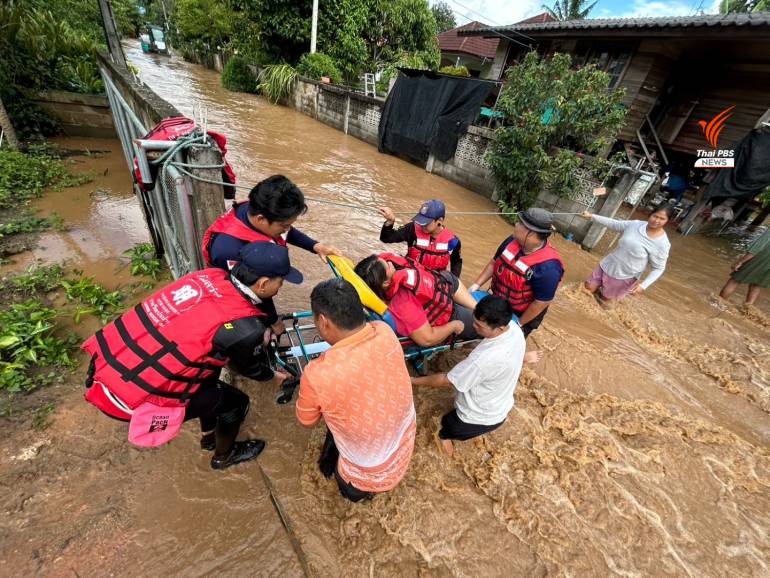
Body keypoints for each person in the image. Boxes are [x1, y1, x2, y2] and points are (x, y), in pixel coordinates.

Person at [81, 242, 300, 470]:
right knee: (237, 403)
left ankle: (208, 435)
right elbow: (248, 368)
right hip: (130, 400)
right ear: (263, 283)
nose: (280, 287)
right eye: (280, 282)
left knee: (210, 379)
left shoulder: (207, 277)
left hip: (107, 369)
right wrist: (272, 376)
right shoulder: (246, 328)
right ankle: (224, 456)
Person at [295, 278, 416, 502]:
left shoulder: (317, 374)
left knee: (347, 489)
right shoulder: (384, 331)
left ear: (323, 321)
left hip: (368, 469)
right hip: (404, 442)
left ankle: (351, 494)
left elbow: (306, 421)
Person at [411, 295, 525, 457]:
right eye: (474, 320)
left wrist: (413, 381)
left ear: (499, 328)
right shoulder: (514, 329)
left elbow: (446, 380)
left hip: (473, 418)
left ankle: (446, 446)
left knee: (442, 430)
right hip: (500, 408)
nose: (473, 326)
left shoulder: (483, 361)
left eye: (479, 325)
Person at [202, 174, 341, 271]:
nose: (287, 230)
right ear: (261, 219)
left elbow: (286, 232)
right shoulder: (228, 251)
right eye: (285, 225)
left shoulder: (258, 209)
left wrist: (315, 246)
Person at [469, 208, 564, 338]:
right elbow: (493, 263)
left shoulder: (549, 268)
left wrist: (518, 324)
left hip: (522, 314)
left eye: (520, 223)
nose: (516, 225)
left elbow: (541, 303)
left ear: (531, 233)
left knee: (503, 346)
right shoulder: (511, 241)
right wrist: (476, 285)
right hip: (499, 302)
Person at [354, 252, 478, 345]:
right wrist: (454, 326)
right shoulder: (403, 305)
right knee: (482, 321)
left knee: (478, 308)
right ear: (386, 282)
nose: (391, 262)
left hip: (444, 284)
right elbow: (427, 339)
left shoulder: (372, 279)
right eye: (387, 265)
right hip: (449, 313)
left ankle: (477, 307)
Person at [580, 203, 673, 304]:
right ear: (650, 214)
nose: (656, 221)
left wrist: (643, 286)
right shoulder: (635, 224)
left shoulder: (662, 244)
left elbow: (659, 268)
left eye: (662, 219)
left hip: (625, 276)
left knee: (604, 303)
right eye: (655, 216)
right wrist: (592, 216)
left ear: (667, 221)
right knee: (586, 289)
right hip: (608, 264)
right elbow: (614, 223)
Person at [378, 199, 463, 276]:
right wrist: (390, 221)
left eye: (426, 223)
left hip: (434, 282)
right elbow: (386, 238)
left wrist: (453, 282)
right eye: (421, 220)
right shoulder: (412, 229)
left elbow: (456, 262)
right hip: (410, 274)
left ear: (439, 221)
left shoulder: (453, 241)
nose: (422, 225)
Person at [719, 227, 770, 306]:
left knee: (735, 280)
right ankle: (747, 310)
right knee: (756, 285)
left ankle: (719, 303)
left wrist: (740, 262)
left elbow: (756, 249)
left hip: (759, 260)